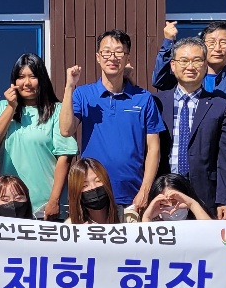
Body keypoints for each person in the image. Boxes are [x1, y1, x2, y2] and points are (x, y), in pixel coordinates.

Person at [60, 30, 165, 219]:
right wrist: (69, 87)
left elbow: (154, 148)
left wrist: (145, 189)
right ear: (98, 57)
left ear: (127, 58)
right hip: (92, 195)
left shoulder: (144, 98)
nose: (112, 57)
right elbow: (66, 130)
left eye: (118, 52)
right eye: (106, 52)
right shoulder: (83, 94)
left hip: (132, 196)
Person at [152, 21, 226, 197]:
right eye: (211, 42)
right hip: (178, 173)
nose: (217, 48)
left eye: (223, 42)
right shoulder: (189, 77)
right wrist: (168, 42)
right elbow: (159, 80)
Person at [150, 38, 226, 218]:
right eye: (184, 61)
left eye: (197, 60)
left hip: (204, 194)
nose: (190, 66)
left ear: (205, 65)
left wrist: (224, 199)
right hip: (163, 191)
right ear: (173, 65)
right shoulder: (156, 102)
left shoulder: (220, 105)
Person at [0, 54, 79, 220]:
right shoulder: (1, 108)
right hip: (9, 202)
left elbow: (64, 158)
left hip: (45, 205)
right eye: (21, 77)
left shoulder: (56, 110)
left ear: (42, 79)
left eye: (32, 76)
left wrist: (54, 200)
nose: (26, 83)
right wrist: (11, 107)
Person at [62, 157, 130, 288]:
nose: (93, 189)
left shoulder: (128, 218)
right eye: (85, 185)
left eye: (98, 181)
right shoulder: (71, 226)